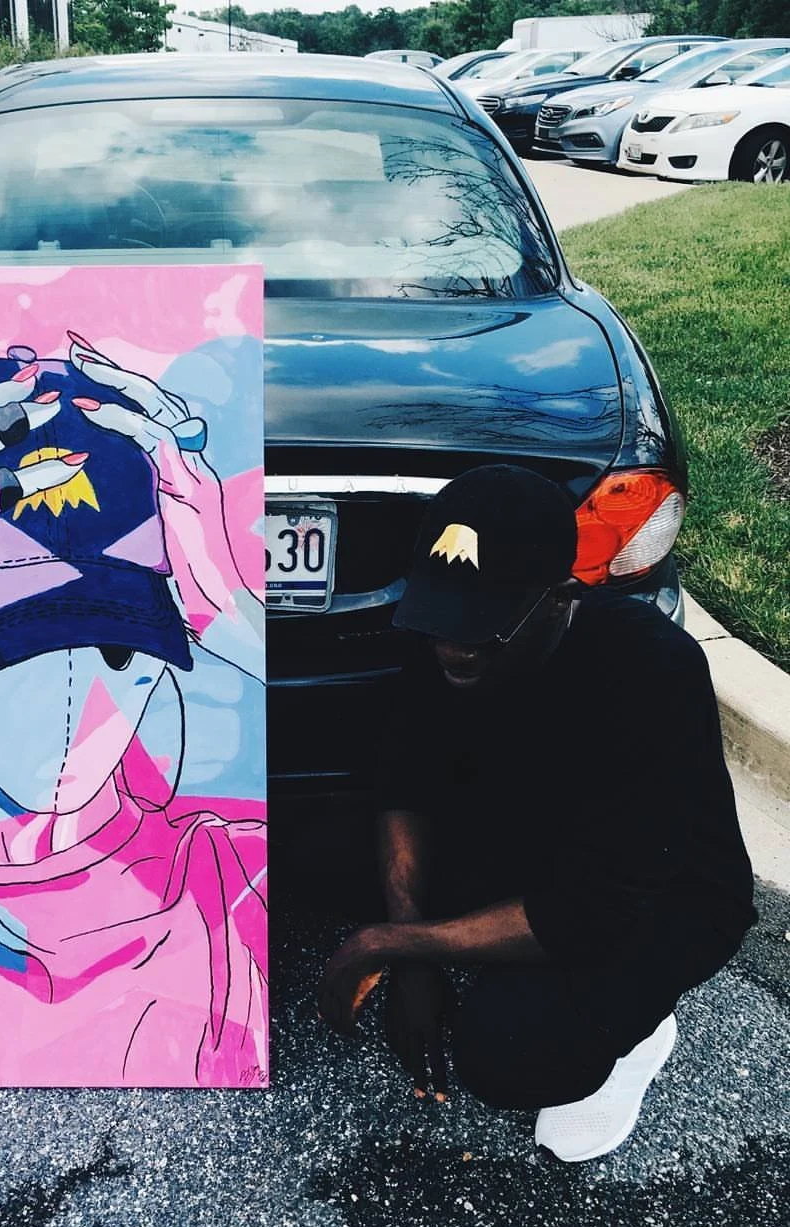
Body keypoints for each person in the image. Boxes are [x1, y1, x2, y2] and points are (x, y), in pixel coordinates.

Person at [0, 335, 267, 1088]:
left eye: (119, 650)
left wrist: (228, 602)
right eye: (18, 650)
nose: (75, 700)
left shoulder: (228, 871)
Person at [318, 464, 756, 1161]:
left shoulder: (653, 673)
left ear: (558, 600)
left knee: (508, 1052)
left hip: (657, 896)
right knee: (316, 854)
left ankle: (638, 1031)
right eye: (441, 619)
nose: (453, 646)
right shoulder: (449, 633)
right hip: (529, 833)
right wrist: (413, 951)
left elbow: (588, 911)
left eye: (480, 628)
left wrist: (391, 943)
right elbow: (403, 784)